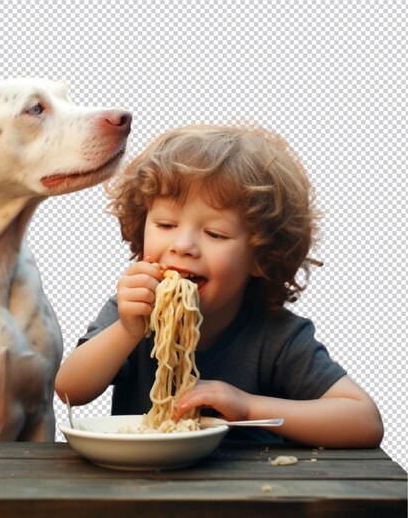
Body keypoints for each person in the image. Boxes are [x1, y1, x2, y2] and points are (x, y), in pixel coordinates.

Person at [55, 123, 384, 447]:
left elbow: (364, 420)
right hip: (146, 488)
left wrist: (248, 406)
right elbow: (70, 390)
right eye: (166, 224)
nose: (183, 245)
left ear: (261, 256)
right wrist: (126, 331)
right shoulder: (132, 312)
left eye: (215, 234)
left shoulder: (275, 336)